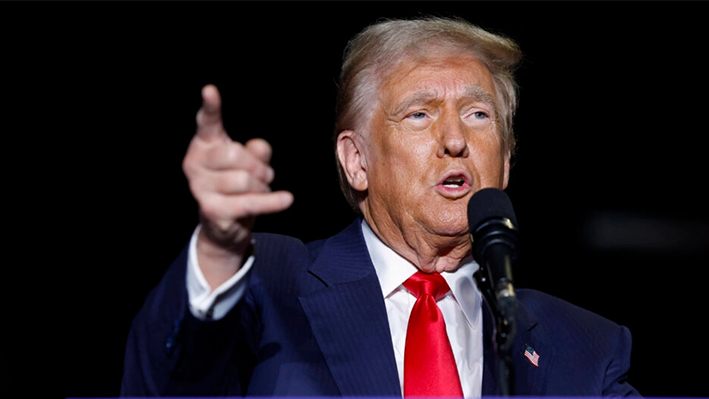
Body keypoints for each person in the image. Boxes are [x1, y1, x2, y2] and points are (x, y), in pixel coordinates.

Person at [121, 16, 640, 397]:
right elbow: (163, 387)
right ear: (355, 160)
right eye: (419, 114)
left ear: (504, 162)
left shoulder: (583, 345)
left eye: (479, 114)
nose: (456, 140)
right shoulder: (271, 284)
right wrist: (215, 252)